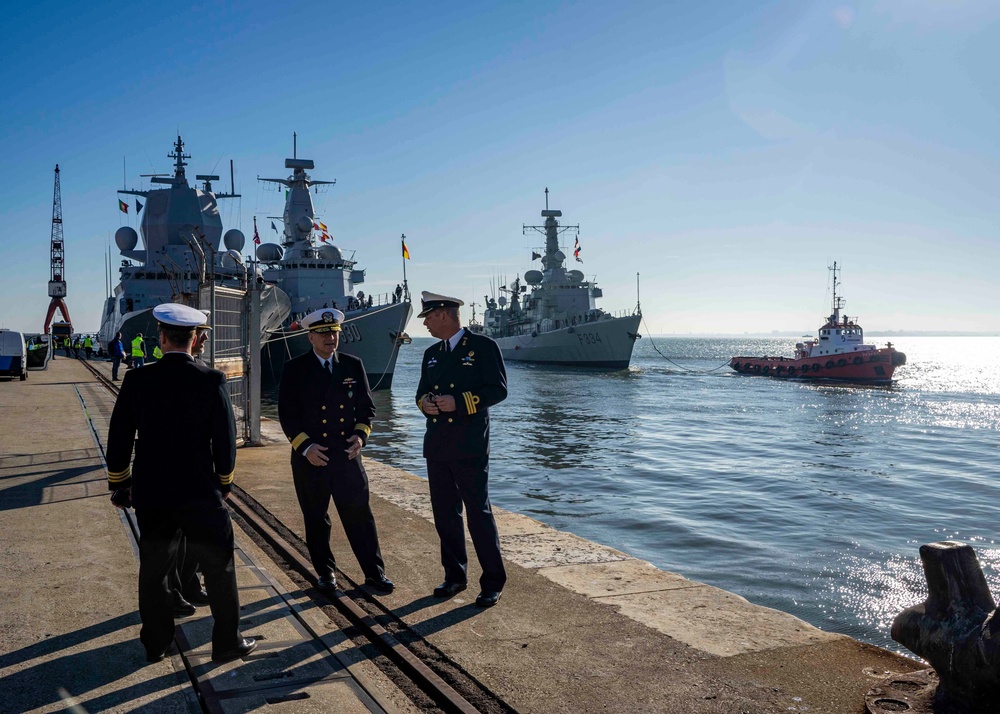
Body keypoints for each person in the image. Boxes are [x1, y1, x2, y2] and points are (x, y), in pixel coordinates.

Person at [105, 303, 255, 663]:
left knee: (154, 568)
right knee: (219, 566)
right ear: (197, 338)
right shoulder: (211, 380)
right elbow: (224, 438)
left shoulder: (137, 380)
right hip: (200, 492)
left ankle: (155, 643)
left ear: (161, 337)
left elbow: (119, 436)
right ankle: (227, 643)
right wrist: (225, 481)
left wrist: (121, 482)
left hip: (152, 492)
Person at [278, 308, 393, 595]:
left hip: (346, 456)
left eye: (334, 333)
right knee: (317, 518)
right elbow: (287, 415)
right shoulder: (295, 369)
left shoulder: (353, 365)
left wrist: (360, 437)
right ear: (310, 337)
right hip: (312, 458)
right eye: (324, 333)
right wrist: (306, 447)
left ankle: (374, 573)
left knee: (360, 517)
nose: (331, 337)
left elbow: (367, 409)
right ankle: (326, 572)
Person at [415, 291, 508, 607]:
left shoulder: (483, 347)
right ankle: (455, 576)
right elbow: (421, 394)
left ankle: (493, 581)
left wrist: (461, 403)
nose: (425, 323)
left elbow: (498, 390)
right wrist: (426, 405)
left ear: (443, 314)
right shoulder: (431, 354)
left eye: (428, 317)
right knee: (445, 515)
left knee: (478, 514)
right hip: (438, 445)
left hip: (469, 445)